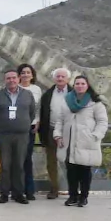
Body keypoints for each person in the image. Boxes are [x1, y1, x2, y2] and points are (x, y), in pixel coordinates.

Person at [54, 75, 108, 207]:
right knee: (71, 171)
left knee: (84, 170)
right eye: (77, 83)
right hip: (68, 141)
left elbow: (102, 121)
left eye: (82, 83)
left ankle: (83, 197)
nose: (79, 86)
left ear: (87, 85)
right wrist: (58, 135)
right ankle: (72, 196)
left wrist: (95, 135)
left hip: (86, 141)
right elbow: (60, 120)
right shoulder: (67, 100)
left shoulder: (95, 102)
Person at [0, 69, 36, 204]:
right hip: (4, 135)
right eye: (8, 78)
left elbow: (31, 113)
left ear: (18, 79)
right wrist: (2, 125)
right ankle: (4, 193)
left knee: (19, 165)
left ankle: (18, 194)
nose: (11, 80)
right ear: (5, 80)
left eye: (14, 78)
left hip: (22, 135)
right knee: (5, 165)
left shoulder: (28, 95)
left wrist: (23, 124)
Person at [39, 68, 71, 200]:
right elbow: (43, 113)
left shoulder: (74, 93)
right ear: (54, 78)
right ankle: (54, 189)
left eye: (63, 76)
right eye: (58, 76)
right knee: (51, 162)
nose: (60, 78)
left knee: (71, 161)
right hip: (51, 130)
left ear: (68, 79)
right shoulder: (47, 94)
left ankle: (73, 189)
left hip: (69, 131)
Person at [18, 63, 42, 200]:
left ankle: (29, 190)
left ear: (32, 75)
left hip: (31, 127)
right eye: (23, 72)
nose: (26, 75)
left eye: (28, 72)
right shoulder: (16, 88)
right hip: (17, 127)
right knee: (17, 159)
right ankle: (17, 189)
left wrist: (37, 122)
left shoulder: (37, 89)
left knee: (27, 159)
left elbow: (38, 108)